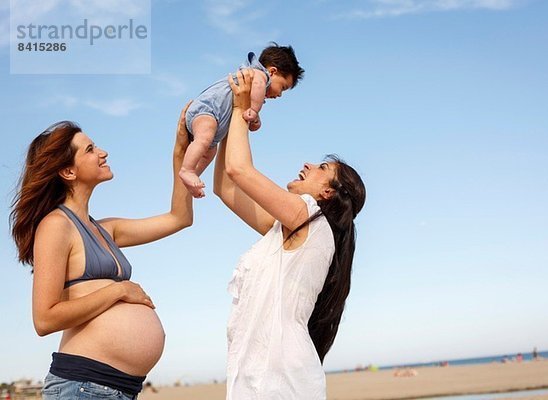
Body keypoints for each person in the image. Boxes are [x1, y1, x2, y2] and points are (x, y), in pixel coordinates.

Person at [9, 105, 193, 399]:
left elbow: (179, 218)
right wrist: (118, 292)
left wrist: (181, 153)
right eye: (90, 149)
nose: (103, 152)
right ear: (68, 171)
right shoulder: (56, 226)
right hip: (83, 386)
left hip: (115, 389)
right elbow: (44, 319)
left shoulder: (107, 230)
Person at [213, 69, 366, 399]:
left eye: (322, 169)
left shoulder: (308, 213)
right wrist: (227, 117)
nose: (309, 164)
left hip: (279, 381)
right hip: (259, 376)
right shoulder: (291, 226)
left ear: (327, 193)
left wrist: (243, 108)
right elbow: (225, 186)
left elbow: (238, 169)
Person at [181, 43, 304, 198]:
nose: (280, 95)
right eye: (283, 87)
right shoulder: (258, 75)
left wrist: (254, 119)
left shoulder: (254, 93)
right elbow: (256, 92)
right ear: (272, 72)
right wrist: (254, 110)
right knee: (204, 138)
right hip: (207, 110)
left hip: (214, 120)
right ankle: (187, 170)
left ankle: (192, 177)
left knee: (209, 151)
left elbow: (247, 116)